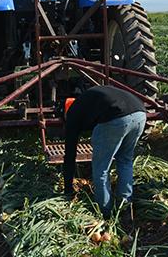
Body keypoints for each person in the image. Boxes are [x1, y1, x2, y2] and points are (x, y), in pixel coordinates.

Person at [63, 85, 146, 222]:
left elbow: (70, 155)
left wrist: (68, 190)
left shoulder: (72, 114)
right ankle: (124, 206)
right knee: (125, 160)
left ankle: (105, 213)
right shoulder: (91, 99)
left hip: (116, 118)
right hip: (140, 114)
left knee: (101, 168)